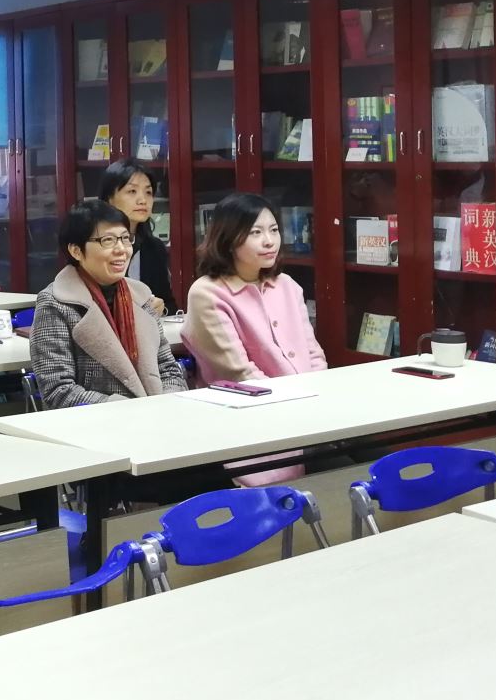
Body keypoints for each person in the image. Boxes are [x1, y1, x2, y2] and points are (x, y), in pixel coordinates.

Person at [181, 192, 327, 486]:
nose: (269, 241)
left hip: (307, 418)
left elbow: (314, 355)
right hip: (248, 426)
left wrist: (318, 400)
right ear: (228, 239)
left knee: (364, 464)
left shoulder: (287, 285)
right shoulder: (207, 293)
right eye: (255, 233)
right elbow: (240, 374)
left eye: (274, 230)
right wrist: (300, 408)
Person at [29, 201, 186, 407]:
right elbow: (58, 391)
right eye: (108, 240)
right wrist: (130, 410)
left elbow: (169, 370)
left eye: (125, 238)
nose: (122, 249)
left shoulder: (140, 297)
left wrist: (166, 405)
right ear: (76, 251)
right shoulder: (56, 303)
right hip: (99, 421)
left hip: (156, 415)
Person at [96, 158, 176, 315]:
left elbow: (169, 304)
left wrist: (162, 309)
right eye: (132, 191)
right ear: (109, 198)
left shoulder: (154, 248)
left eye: (148, 192)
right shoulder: (96, 245)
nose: (143, 200)